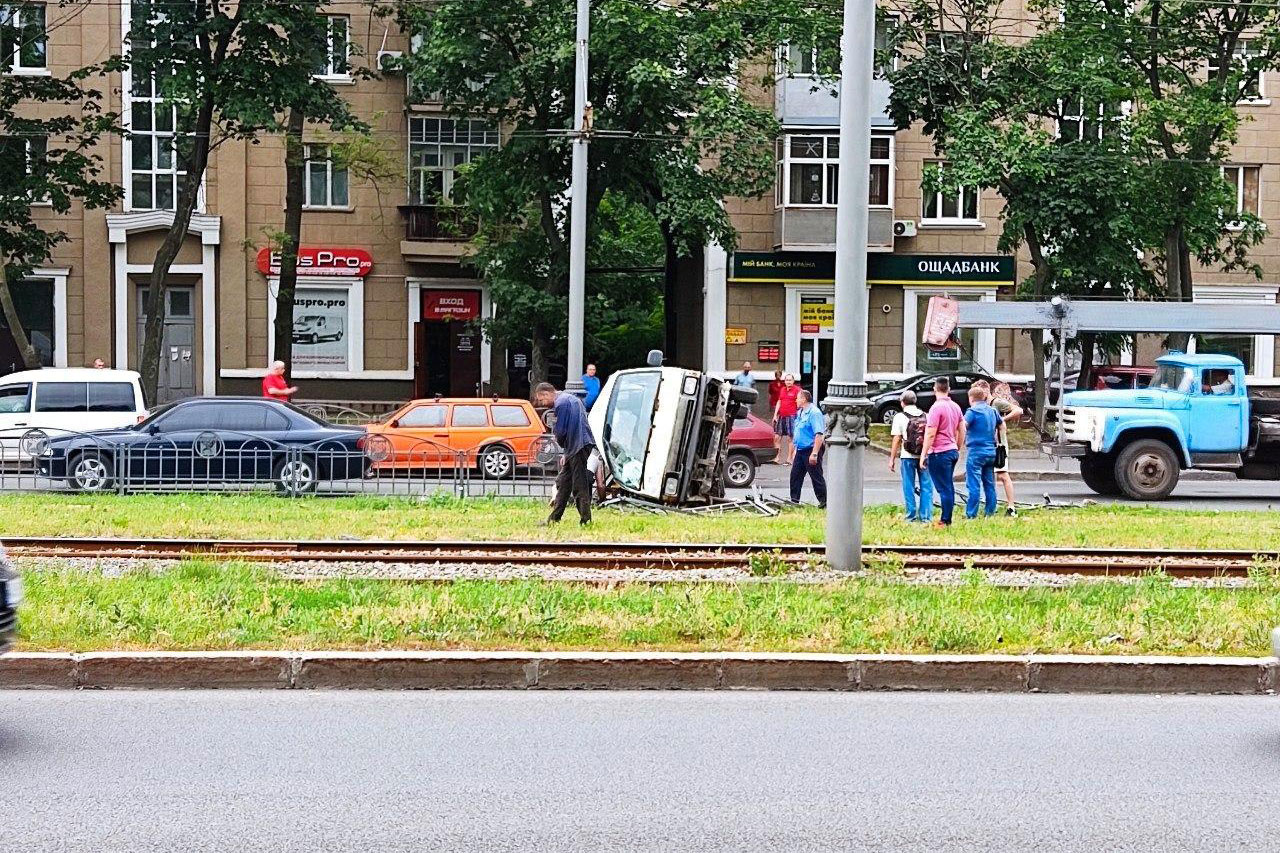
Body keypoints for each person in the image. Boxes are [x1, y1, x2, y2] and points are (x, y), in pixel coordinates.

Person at [534, 381, 596, 525]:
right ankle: (554, 518)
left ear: (547, 393)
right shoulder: (569, 398)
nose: (542, 403)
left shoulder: (561, 404)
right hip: (579, 445)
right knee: (564, 482)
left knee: (578, 484)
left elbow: (561, 432)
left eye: (542, 399)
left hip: (577, 446)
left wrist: (563, 446)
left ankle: (586, 520)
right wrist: (567, 453)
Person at [919, 376, 964, 526]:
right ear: (949, 389)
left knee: (944, 488)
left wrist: (924, 454)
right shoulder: (956, 407)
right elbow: (961, 429)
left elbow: (930, 433)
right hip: (951, 450)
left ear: (935, 389)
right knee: (948, 486)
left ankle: (945, 520)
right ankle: (947, 518)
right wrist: (957, 446)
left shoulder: (936, 408)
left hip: (939, 452)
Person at [977, 379, 1022, 517]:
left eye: (979, 393)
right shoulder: (984, 405)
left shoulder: (996, 402)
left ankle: (1011, 507)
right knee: (990, 475)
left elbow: (1018, 410)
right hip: (990, 443)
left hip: (1000, 445)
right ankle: (992, 504)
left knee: (1002, 474)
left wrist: (1003, 419)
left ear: (985, 390)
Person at [888, 389, 933, 522]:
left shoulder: (899, 417)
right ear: (915, 401)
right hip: (924, 456)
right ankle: (926, 517)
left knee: (909, 485)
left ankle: (911, 515)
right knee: (926, 486)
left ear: (902, 403)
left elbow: (897, 438)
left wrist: (891, 459)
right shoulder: (926, 415)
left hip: (907, 456)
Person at [962, 384, 1000, 519]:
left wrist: (960, 441)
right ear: (984, 397)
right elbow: (1000, 426)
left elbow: (963, 426)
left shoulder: (972, 412)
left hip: (976, 451)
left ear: (971, 398)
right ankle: (990, 512)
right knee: (989, 484)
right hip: (991, 451)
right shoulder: (993, 411)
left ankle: (971, 514)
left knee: (973, 484)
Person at [789, 389, 826, 508]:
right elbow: (798, 432)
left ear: (804, 399)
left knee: (816, 477)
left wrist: (815, 453)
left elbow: (819, 434)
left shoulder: (814, 413)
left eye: (798, 398)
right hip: (800, 450)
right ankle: (794, 501)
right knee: (795, 477)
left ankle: (824, 502)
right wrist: (795, 449)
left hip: (811, 449)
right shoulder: (800, 412)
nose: (796, 400)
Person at [772, 373, 800, 464]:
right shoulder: (782, 389)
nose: (788, 382)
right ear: (784, 381)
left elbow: (800, 403)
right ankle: (776, 458)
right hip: (781, 416)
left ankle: (789, 458)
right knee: (777, 437)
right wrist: (775, 415)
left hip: (792, 416)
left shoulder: (797, 390)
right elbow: (779, 402)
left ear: (793, 381)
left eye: (790, 380)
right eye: (787, 380)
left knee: (790, 438)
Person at [767, 369, 785, 455]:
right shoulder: (772, 384)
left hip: (781, 402)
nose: (778, 376)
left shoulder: (783, 383)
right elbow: (770, 392)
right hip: (774, 402)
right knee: (775, 416)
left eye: (779, 375)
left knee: (780, 416)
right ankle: (774, 429)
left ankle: (778, 428)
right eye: (777, 375)